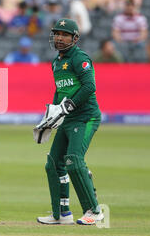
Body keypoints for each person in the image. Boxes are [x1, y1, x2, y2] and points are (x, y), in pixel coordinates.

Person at [34, 18, 103, 225]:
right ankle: (61, 214)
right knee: (53, 165)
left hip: (86, 117)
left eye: (64, 35)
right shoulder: (56, 61)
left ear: (75, 38)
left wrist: (69, 105)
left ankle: (94, 211)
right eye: (57, 34)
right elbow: (60, 90)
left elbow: (90, 87)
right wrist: (51, 115)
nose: (59, 38)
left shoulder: (80, 58)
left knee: (73, 160)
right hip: (67, 118)